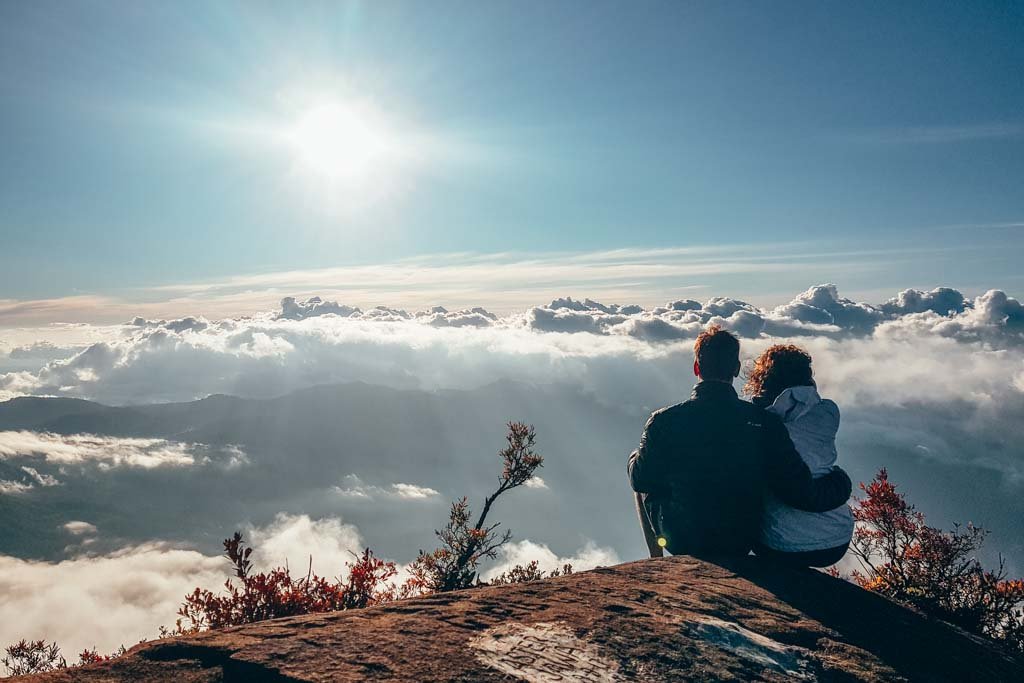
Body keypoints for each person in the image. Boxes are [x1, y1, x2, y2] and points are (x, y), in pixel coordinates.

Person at [627, 325, 851, 560]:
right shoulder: (763, 422)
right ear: (735, 369)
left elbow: (640, 480)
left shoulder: (664, 421)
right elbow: (794, 484)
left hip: (684, 540)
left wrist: (637, 459)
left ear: (696, 368)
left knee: (641, 468)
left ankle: (656, 561)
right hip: (740, 539)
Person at [744, 344, 853, 567]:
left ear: (763, 380)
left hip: (779, 545)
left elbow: (795, 490)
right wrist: (841, 481)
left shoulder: (758, 422)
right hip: (837, 539)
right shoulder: (828, 412)